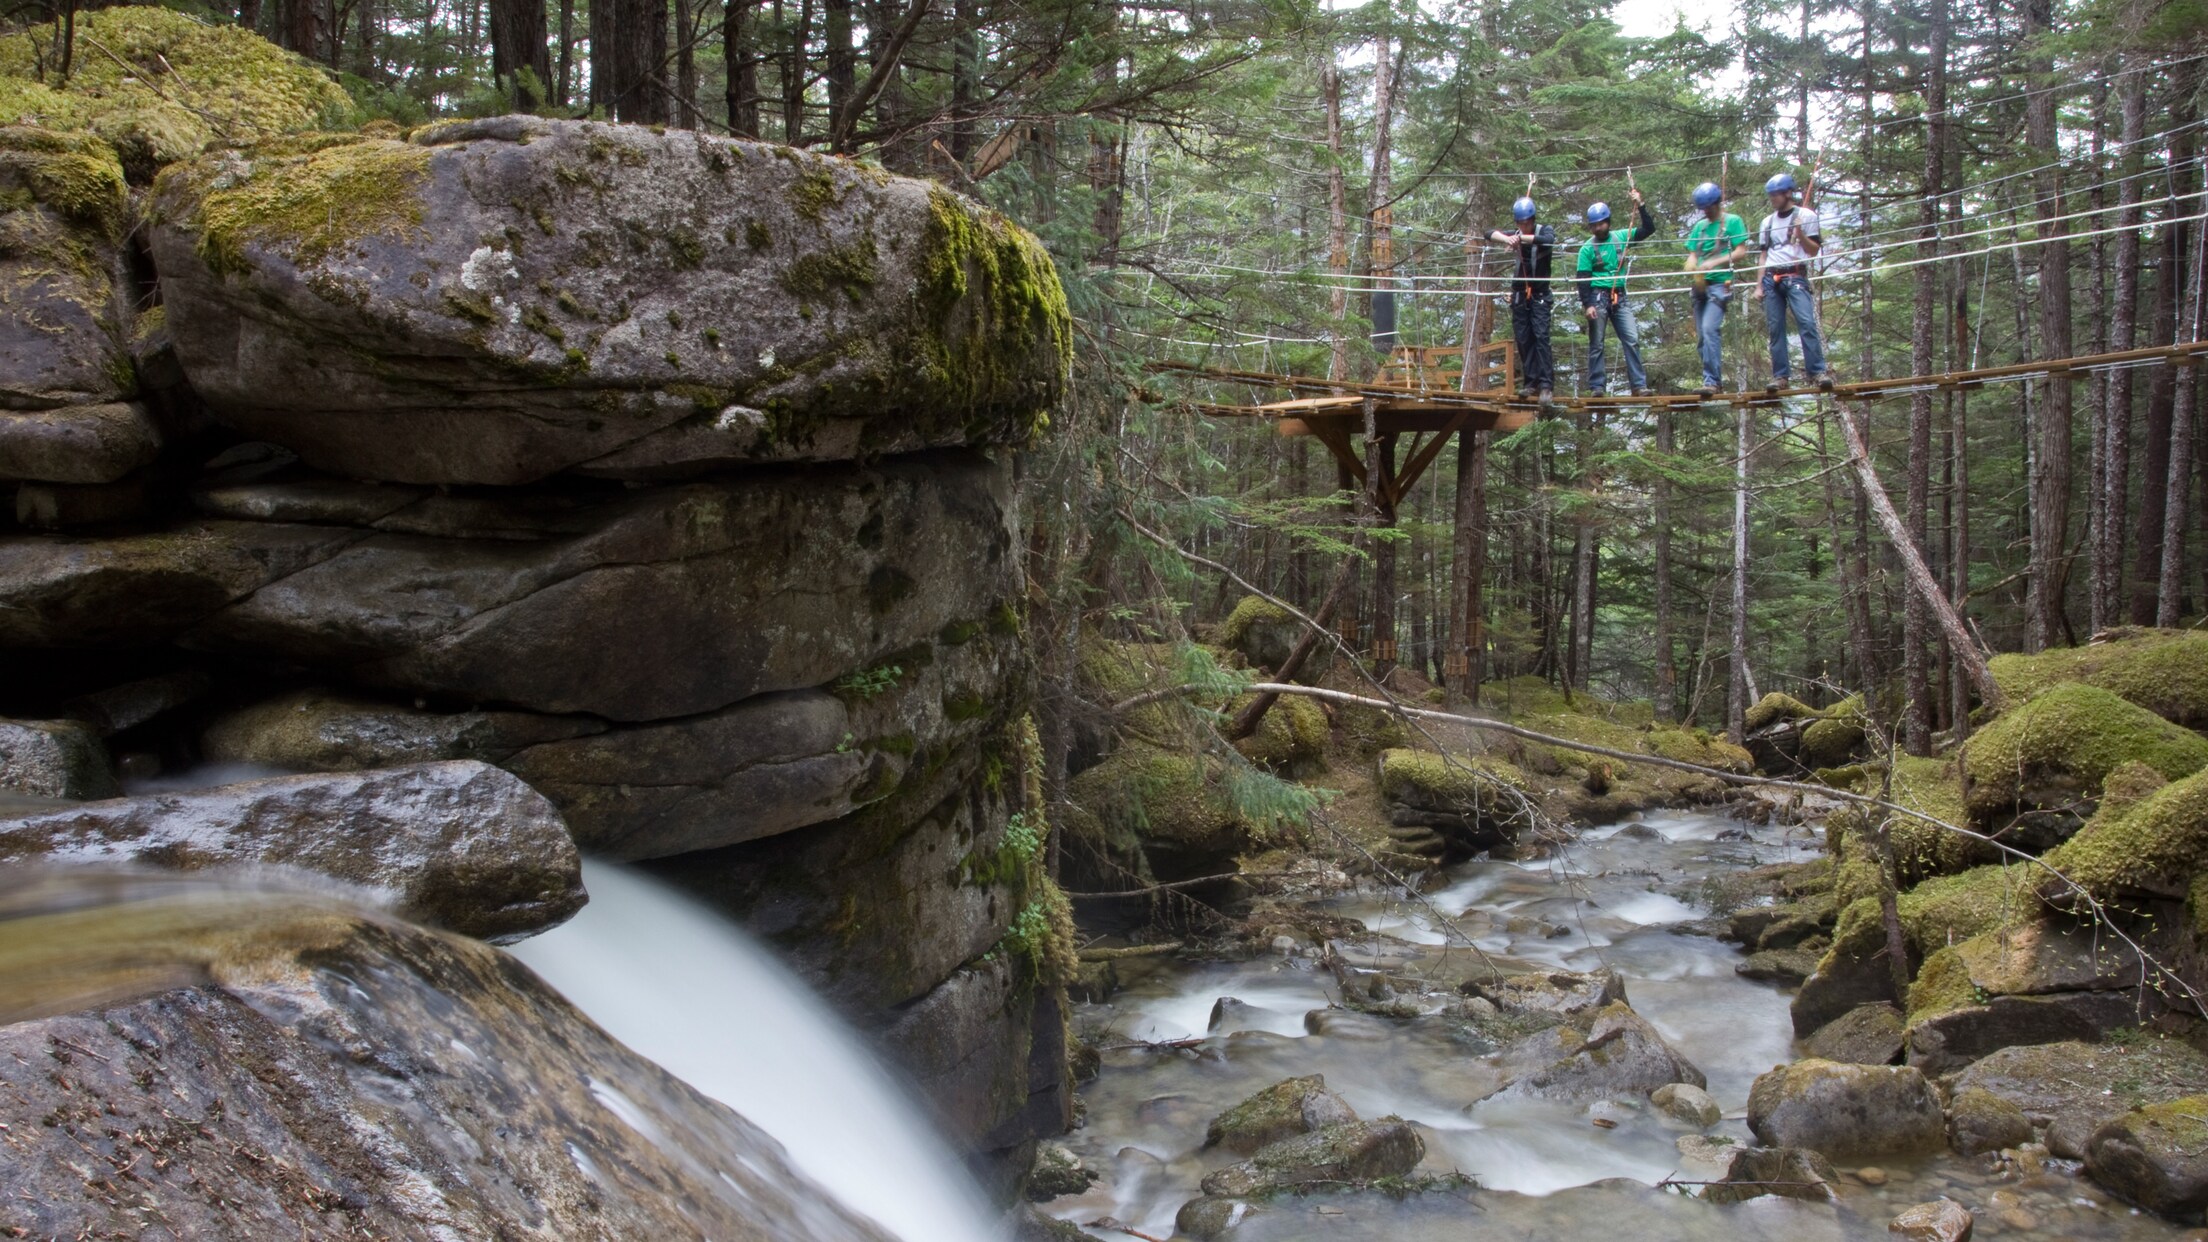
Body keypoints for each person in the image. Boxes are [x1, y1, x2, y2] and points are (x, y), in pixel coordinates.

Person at [1753, 172, 1832, 390]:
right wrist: (1759, 285)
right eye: (1771, 196)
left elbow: (1813, 250)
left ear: (1788, 193)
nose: (1773, 200)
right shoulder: (1767, 222)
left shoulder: (1805, 216)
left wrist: (1799, 233)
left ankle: (1817, 371)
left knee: (1806, 322)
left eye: (1776, 195)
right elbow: (1763, 255)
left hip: (1795, 274)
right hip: (1772, 277)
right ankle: (1780, 377)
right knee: (1775, 328)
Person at [1575, 188, 1655, 397]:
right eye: (1593, 225)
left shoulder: (1622, 236)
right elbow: (1582, 279)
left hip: (1620, 296)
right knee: (1597, 343)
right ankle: (1597, 387)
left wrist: (1641, 205)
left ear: (1607, 222)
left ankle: (1638, 385)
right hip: (1598, 296)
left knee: (1631, 338)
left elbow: (1649, 228)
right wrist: (1588, 305)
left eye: (1600, 224)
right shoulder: (1587, 249)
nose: (1597, 228)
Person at [1680, 180, 1750, 399]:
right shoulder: (1700, 227)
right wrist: (1691, 263)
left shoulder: (1732, 222)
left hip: (1720, 285)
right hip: (1700, 285)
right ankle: (1711, 379)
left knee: (1710, 329)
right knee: (1702, 336)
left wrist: (1715, 262)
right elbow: (1693, 252)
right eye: (1703, 209)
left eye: (1708, 208)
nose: (1706, 212)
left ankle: (1713, 381)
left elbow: (1740, 252)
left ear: (1717, 204)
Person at [1488, 196, 1556, 404]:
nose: (1523, 226)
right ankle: (1531, 382)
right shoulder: (1515, 234)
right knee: (1524, 338)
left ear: (1533, 220)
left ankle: (1546, 385)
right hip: (1519, 294)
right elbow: (1489, 233)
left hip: (1540, 294)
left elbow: (1548, 240)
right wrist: (1507, 239)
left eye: (1526, 222)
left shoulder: (1544, 230)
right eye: (1519, 223)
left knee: (1541, 336)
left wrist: (1522, 239)